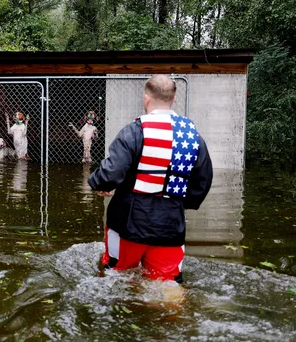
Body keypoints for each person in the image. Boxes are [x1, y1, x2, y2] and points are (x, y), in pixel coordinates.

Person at [88, 75, 213, 283]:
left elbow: (112, 172)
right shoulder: (193, 136)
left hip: (128, 221)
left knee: (117, 276)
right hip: (171, 223)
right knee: (167, 283)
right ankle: (175, 313)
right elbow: (203, 180)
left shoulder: (134, 131)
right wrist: (180, 202)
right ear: (173, 100)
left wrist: (99, 183)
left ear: (146, 98)